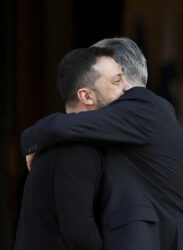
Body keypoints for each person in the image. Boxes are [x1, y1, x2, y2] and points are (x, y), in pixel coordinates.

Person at [21, 38, 183, 250]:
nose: (124, 87)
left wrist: (30, 139)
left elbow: (61, 127)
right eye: (116, 81)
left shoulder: (139, 104)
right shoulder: (128, 129)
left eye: (119, 79)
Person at [14, 47, 126, 250]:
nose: (126, 88)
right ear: (87, 96)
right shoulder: (76, 150)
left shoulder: (64, 143)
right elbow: (80, 235)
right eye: (117, 81)